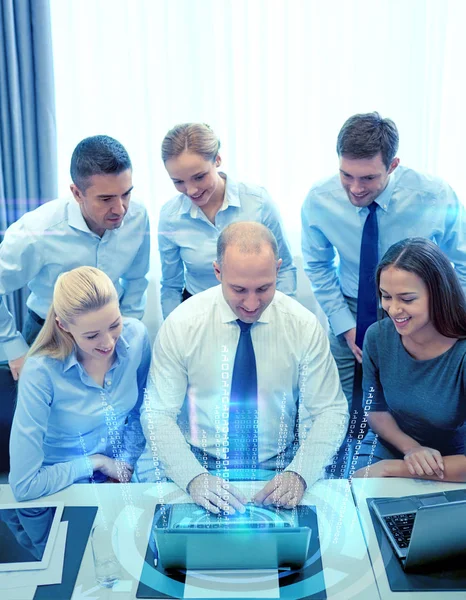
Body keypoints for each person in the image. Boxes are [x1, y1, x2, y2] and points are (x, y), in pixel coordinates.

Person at [142, 222, 348, 514]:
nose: (252, 304)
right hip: (199, 464)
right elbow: (157, 414)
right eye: (238, 289)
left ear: (278, 270)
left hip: (280, 466)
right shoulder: (181, 324)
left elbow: (330, 411)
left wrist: (300, 472)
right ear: (217, 272)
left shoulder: (303, 326)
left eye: (263, 288)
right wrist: (193, 477)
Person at [301, 112, 466, 410]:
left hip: (421, 311)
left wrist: (444, 317)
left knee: (408, 407)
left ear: (393, 165)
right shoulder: (319, 199)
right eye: (346, 175)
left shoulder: (434, 196)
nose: (355, 188)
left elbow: (463, 263)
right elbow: (317, 265)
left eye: (368, 178)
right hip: (351, 309)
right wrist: (345, 325)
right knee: (338, 408)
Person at [0, 135, 150, 380]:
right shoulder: (36, 231)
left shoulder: (138, 216)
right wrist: (14, 349)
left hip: (109, 334)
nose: (120, 209)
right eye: (106, 199)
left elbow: (136, 279)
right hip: (51, 336)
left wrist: (124, 332)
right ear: (77, 193)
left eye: (126, 194)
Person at [9, 266, 151, 501]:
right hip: (58, 488)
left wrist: (124, 462)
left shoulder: (137, 337)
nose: (108, 343)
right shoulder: (40, 371)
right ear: (63, 326)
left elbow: (141, 411)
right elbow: (24, 485)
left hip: (116, 480)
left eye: (115, 324)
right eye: (92, 335)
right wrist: (95, 463)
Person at [352, 238, 466, 482]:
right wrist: (411, 449)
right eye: (386, 296)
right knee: (358, 491)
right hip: (392, 441)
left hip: (456, 457)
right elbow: (375, 410)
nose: (393, 310)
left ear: (438, 295)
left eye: (407, 299)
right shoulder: (377, 336)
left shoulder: (462, 352)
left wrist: (394, 468)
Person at [158, 123, 297, 319]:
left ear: (217, 160)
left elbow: (285, 269)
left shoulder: (258, 202)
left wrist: (282, 318)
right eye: (178, 182)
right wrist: (172, 329)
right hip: (199, 314)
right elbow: (171, 285)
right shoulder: (170, 217)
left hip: (257, 308)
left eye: (199, 177)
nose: (191, 190)